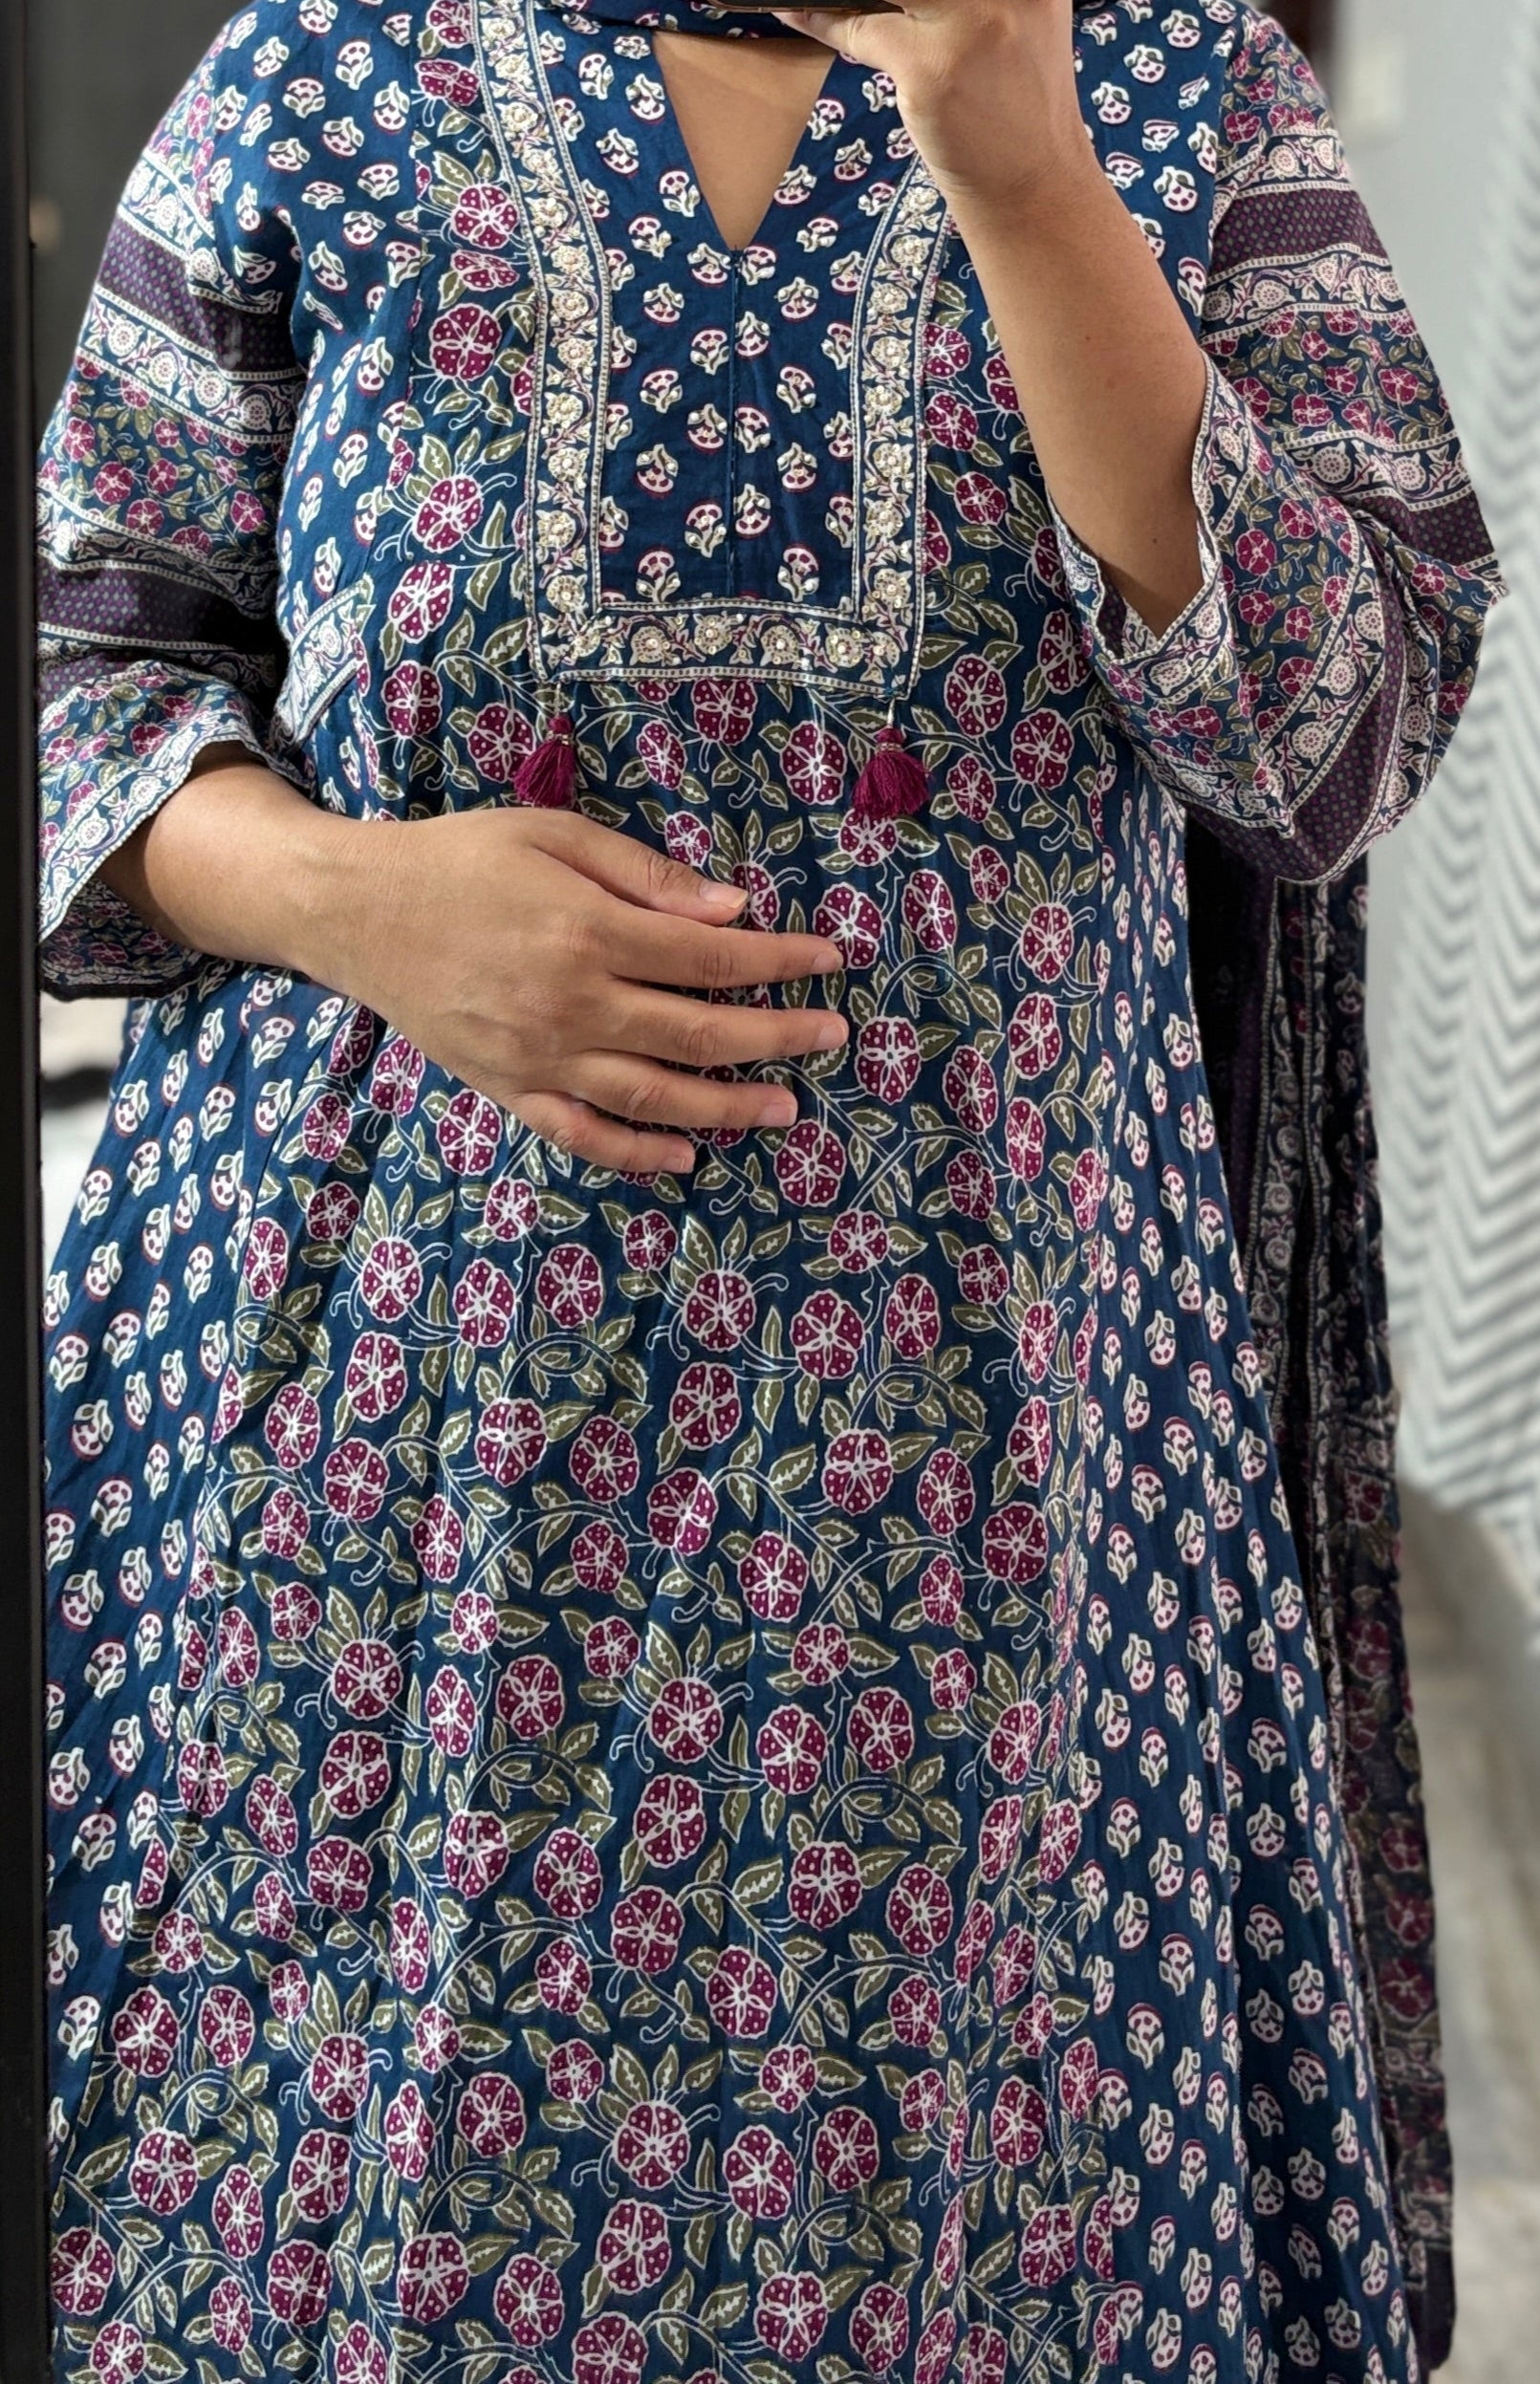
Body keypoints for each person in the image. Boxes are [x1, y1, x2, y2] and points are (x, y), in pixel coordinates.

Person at [37, 0, 1502, 2377]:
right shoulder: (322, 73)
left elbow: (1329, 744)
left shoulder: (1169, 87)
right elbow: (75, 678)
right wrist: (348, 897)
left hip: (995, 1543)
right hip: (377, 1538)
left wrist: (1021, 168)